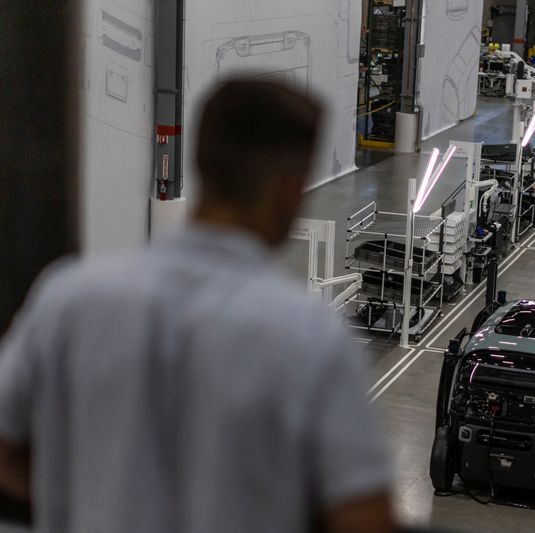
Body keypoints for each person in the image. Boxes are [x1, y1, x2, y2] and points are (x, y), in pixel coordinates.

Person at [0, 80, 395, 533]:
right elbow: (363, 517)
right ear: (290, 188)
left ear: (203, 164)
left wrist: (89, 502)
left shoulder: (67, 297)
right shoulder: (309, 335)